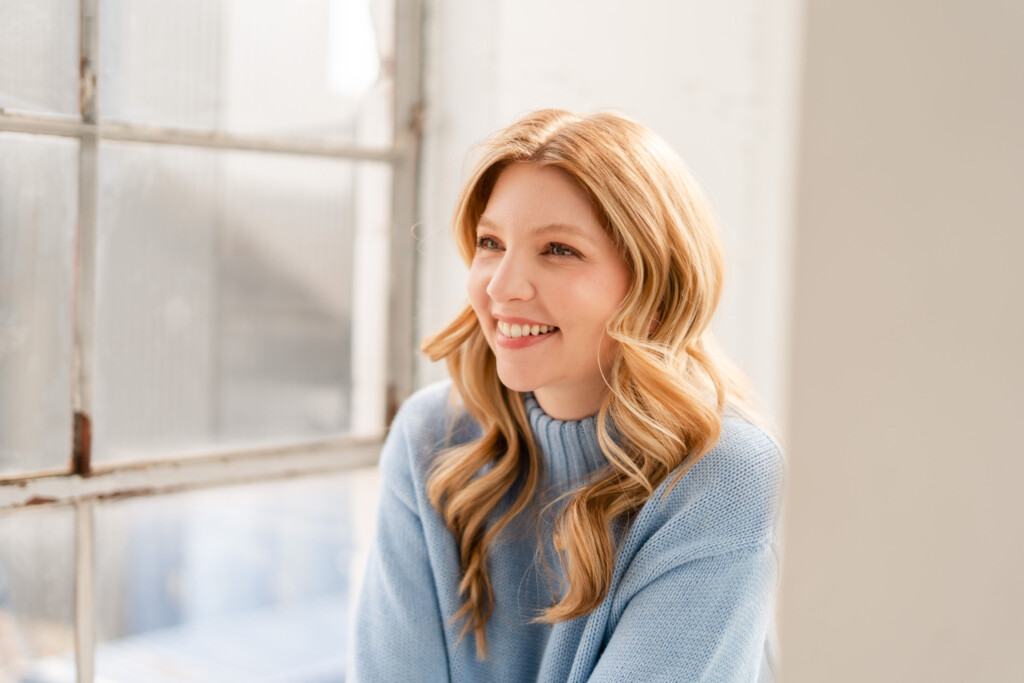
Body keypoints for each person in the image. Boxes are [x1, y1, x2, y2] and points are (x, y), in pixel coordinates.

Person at [353, 109, 784, 682]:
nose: (502, 286)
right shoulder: (430, 437)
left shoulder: (725, 475)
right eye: (490, 242)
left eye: (558, 249)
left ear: (654, 283)